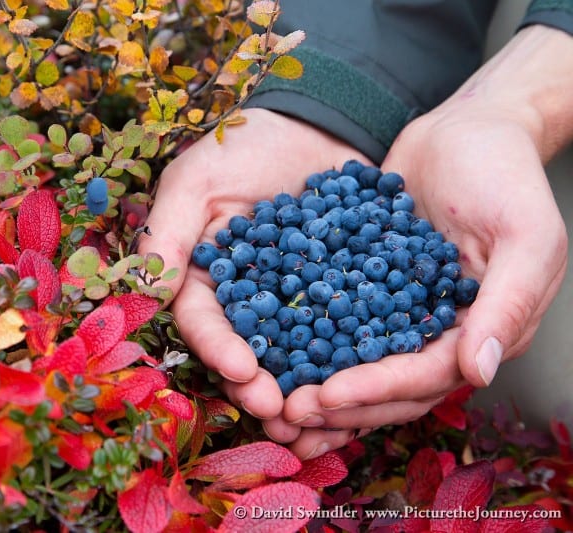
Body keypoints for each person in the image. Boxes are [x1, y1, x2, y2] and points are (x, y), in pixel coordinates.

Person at [140, 0, 573, 458]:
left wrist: (525, 101)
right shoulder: (311, 257)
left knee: (548, 386)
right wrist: (336, 100)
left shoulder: (367, 278)